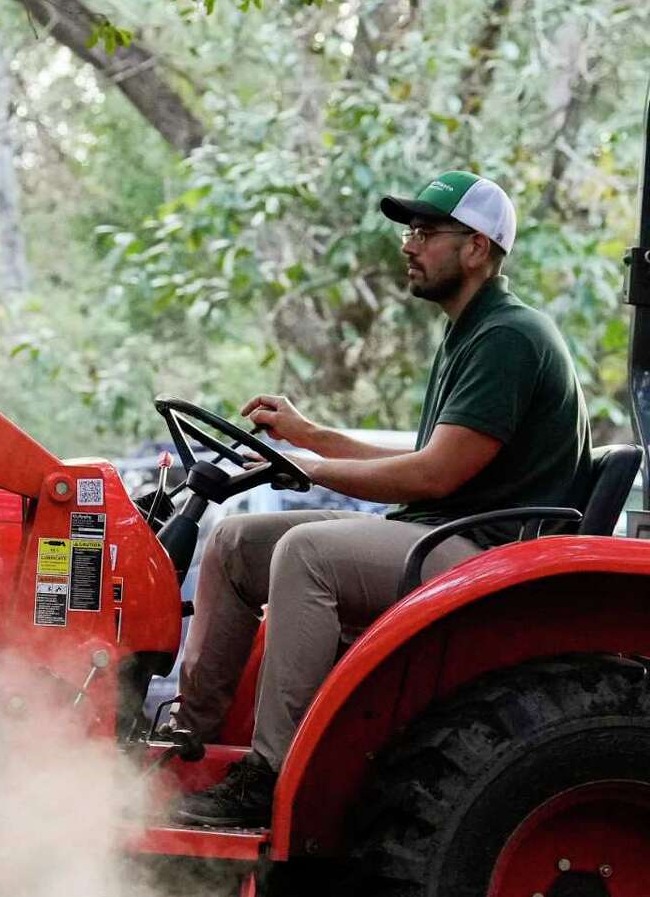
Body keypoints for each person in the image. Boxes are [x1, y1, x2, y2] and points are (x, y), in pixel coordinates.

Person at [170, 170, 590, 828]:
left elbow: (431, 479)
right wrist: (307, 437)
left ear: (477, 248)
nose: (408, 244)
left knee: (307, 553)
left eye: (426, 231)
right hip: (449, 530)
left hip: (487, 553)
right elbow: (420, 463)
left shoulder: (508, 336)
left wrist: (310, 468)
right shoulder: (471, 330)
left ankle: (270, 778)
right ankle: (184, 742)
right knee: (235, 543)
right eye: (409, 230)